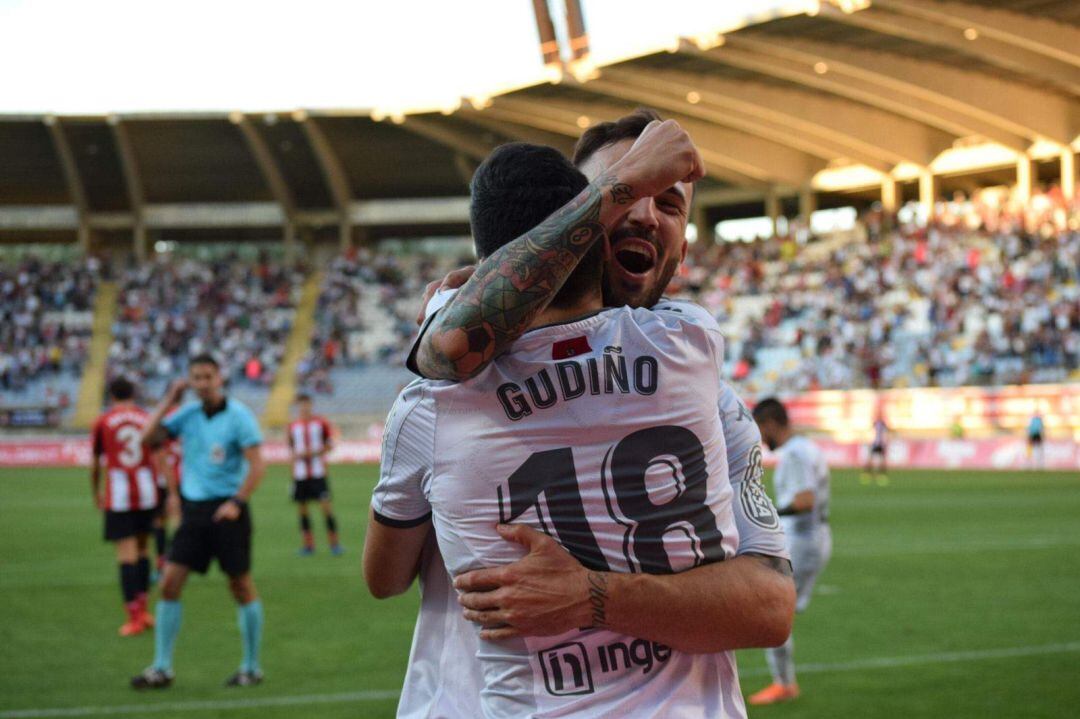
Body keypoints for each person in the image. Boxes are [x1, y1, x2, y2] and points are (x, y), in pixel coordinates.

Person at [366, 130, 790, 717]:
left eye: (669, 204)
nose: (642, 212)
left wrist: (596, 598)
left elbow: (768, 607)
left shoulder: (710, 397)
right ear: (563, 219)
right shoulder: (455, 386)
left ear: (684, 250)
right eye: (620, 192)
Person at [130, 354, 266, 690]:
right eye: (196, 377)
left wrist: (237, 502)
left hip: (227, 512)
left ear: (219, 378)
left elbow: (258, 464)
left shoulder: (239, 416)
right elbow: (147, 439)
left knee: (241, 586)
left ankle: (251, 667)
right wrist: (169, 401)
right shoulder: (186, 414)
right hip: (194, 512)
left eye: (207, 376)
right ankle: (162, 668)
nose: (202, 383)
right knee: (169, 584)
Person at [748, 397, 832, 705]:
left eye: (760, 429)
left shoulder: (796, 454)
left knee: (771, 610)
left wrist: (768, 513)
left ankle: (784, 683)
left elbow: (805, 500)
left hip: (803, 540)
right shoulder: (805, 448)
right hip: (810, 537)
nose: (760, 437)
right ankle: (784, 682)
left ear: (769, 423)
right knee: (773, 610)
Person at [90, 376, 160, 636]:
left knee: (126, 555)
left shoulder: (104, 421)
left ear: (111, 396)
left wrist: (95, 491)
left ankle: (133, 617)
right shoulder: (146, 417)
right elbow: (158, 455)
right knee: (143, 552)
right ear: (133, 394)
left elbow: (96, 462)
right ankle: (144, 610)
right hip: (147, 493)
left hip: (119, 496)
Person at [287, 393, 342, 555]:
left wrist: (314, 453)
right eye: (301, 405)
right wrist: (292, 476)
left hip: (318, 474)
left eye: (306, 404)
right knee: (303, 510)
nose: (304, 408)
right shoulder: (293, 426)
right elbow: (292, 450)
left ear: (311, 405)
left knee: (326, 509)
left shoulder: (321, 423)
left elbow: (330, 445)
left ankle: (334, 544)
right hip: (300, 475)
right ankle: (308, 545)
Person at [863, 412, 889, 486]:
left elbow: (886, 433)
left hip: (881, 444)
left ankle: (881, 474)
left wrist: (885, 442)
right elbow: (871, 433)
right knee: (870, 459)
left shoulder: (883, 424)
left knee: (882, 460)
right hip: (875, 443)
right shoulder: (875, 423)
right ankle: (867, 473)